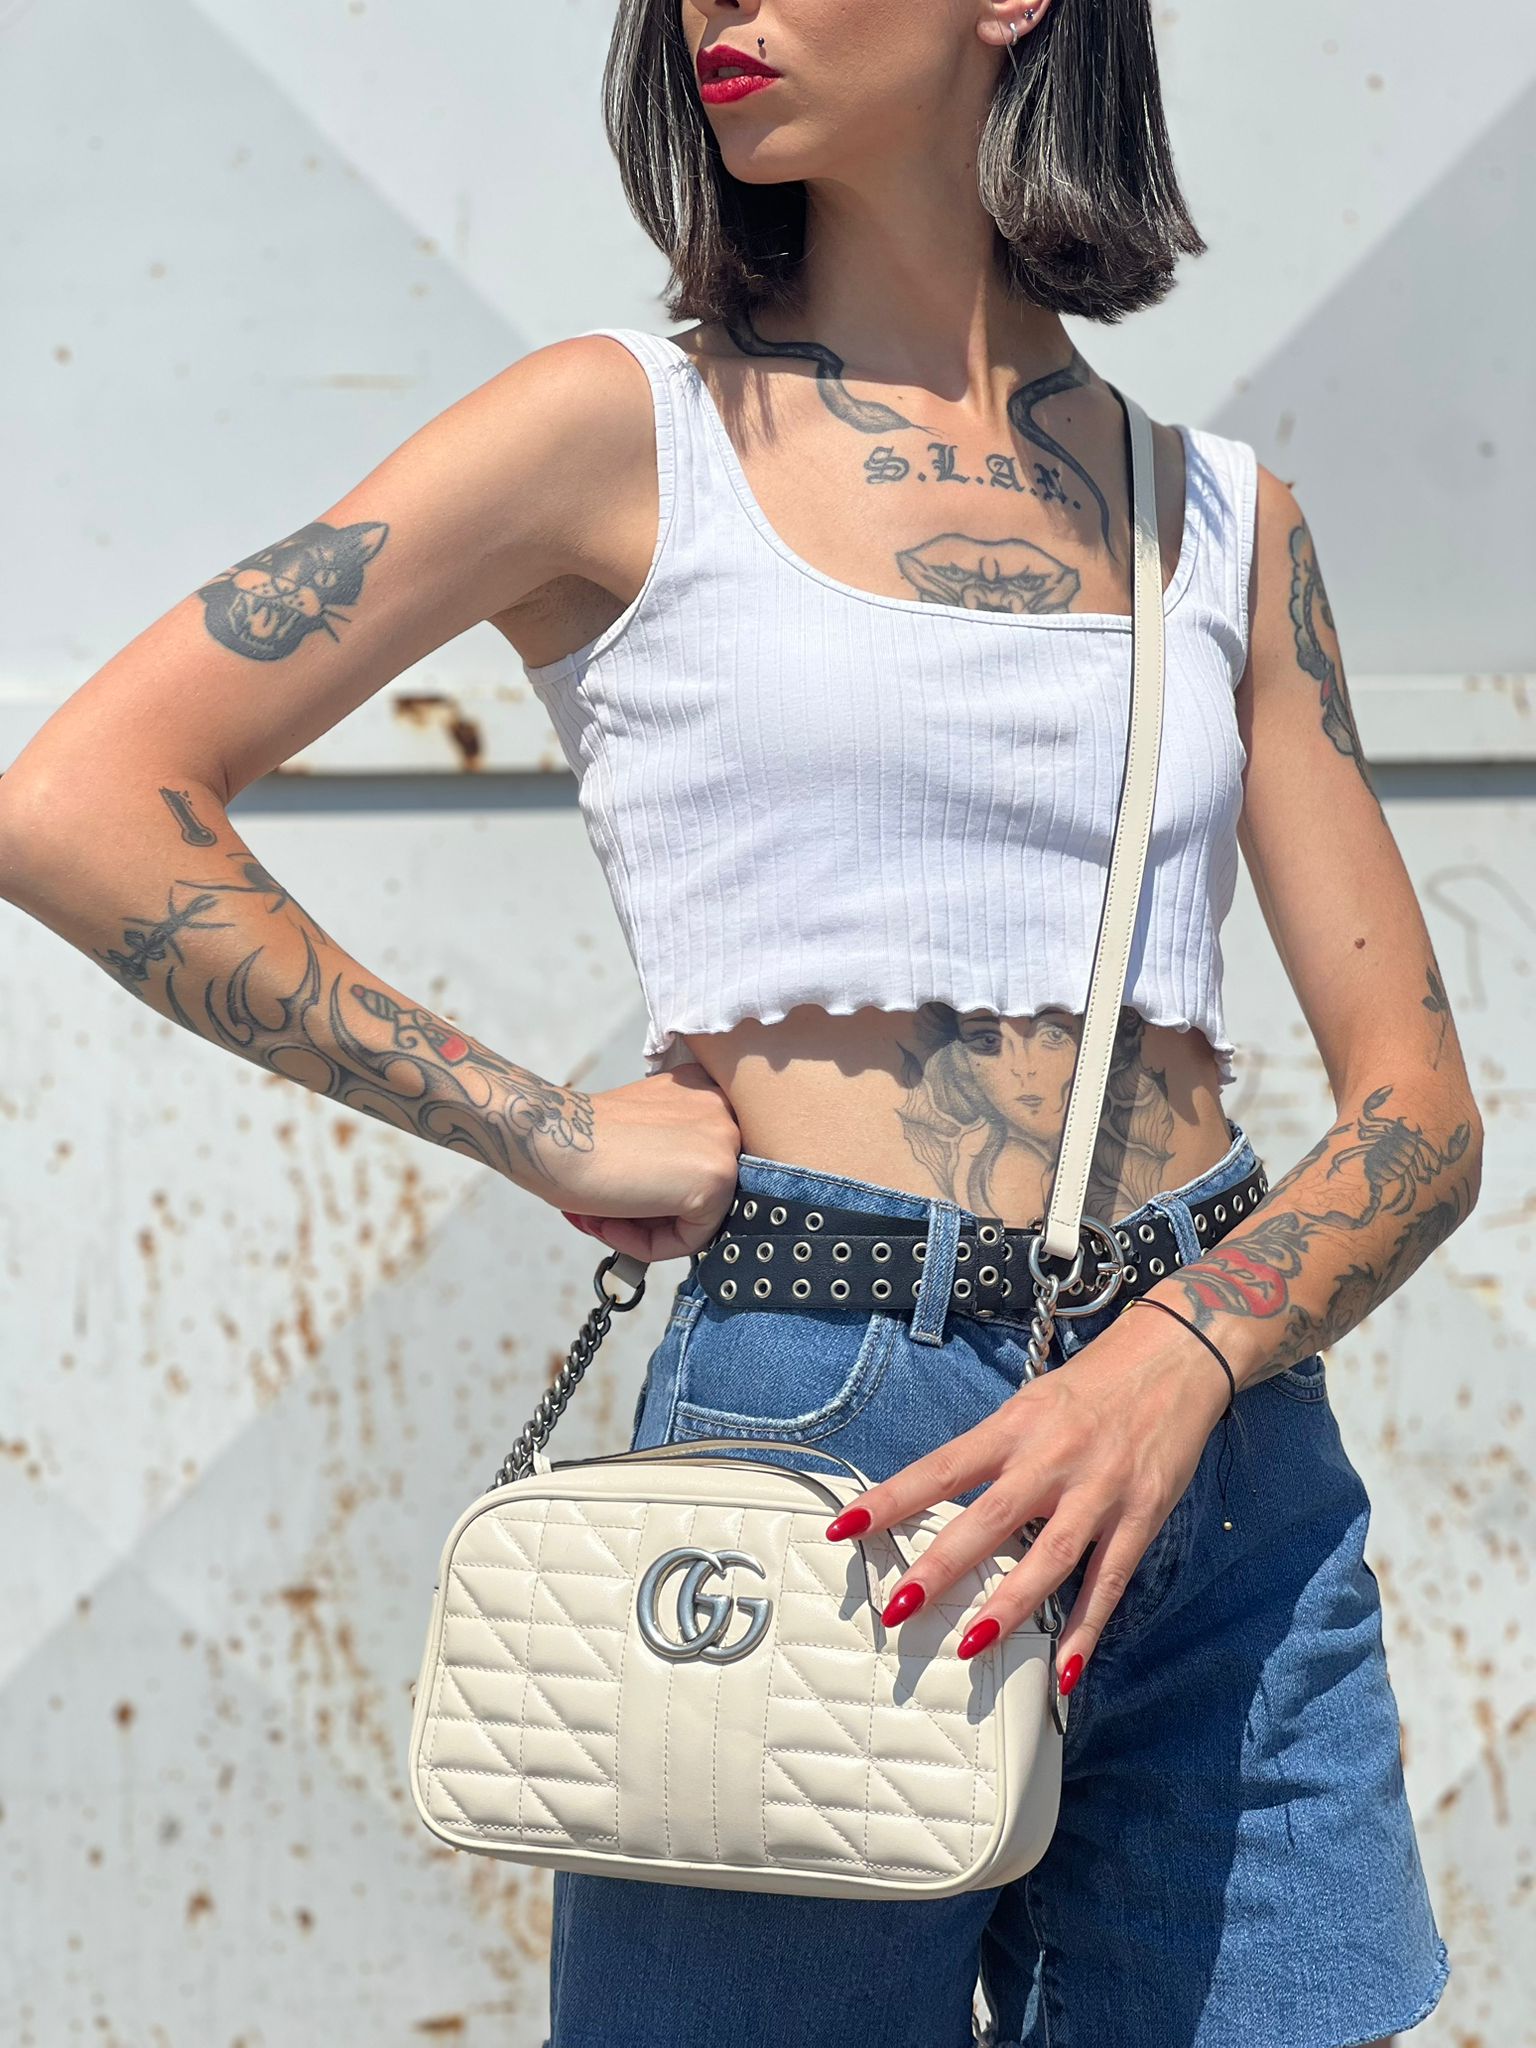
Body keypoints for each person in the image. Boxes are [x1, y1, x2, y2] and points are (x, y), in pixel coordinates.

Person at [0, 0, 1481, 2043]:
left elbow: (1421, 1114)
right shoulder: (618, 430)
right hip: (823, 1438)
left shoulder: (1216, 517)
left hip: (1215, 1456)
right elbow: (83, 801)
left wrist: (1178, 1358)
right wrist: (538, 1124)